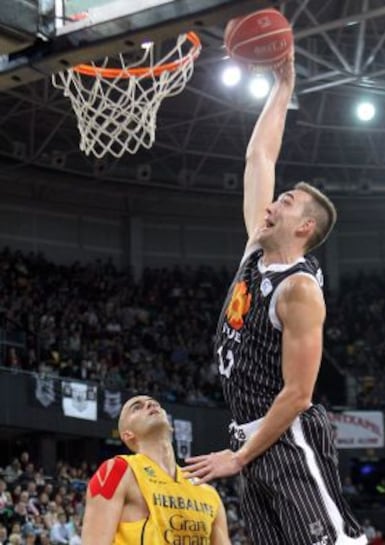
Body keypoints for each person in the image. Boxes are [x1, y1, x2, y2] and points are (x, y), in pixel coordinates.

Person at [184, 55, 367, 545]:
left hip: (288, 436)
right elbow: (259, 157)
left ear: (304, 227)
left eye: (284, 202)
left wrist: (239, 457)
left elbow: (298, 395)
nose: (270, 204)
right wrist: (283, 83)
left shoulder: (298, 290)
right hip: (248, 435)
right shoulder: (253, 251)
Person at [81, 395, 231, 545]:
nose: (150, 405)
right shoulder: (117, 471)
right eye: (137, 407)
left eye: (154, 403)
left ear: (170, 426)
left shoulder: (208, 492)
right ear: (127, 435)